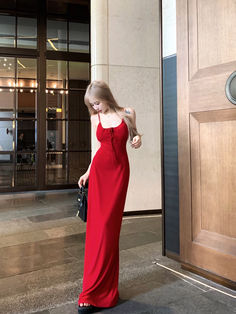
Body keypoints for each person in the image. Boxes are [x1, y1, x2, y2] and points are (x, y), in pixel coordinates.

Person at [77, 80, 143, 314]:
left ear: (106, 96)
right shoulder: (95, 118)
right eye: (92, 105)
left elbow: (135, 137)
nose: (95, 108)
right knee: (98, 230)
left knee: (110, 230)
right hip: (99, 174)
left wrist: (137, 140)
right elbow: (97, 150)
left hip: (119, 175)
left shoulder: (128, 113)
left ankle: (107, 291)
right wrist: (86, 173)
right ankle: (90, 292)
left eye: (97, 102)